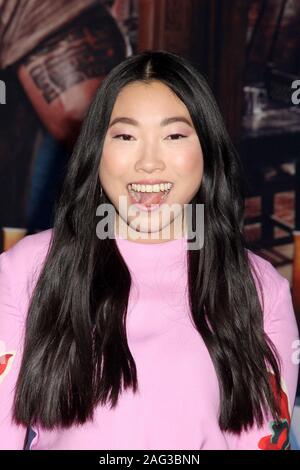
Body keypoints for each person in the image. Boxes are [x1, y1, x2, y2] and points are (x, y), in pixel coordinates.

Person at [0, 50, 299, 450]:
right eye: (125, 136)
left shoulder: (260, 288)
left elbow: (263, 437)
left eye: (174, 136)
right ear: (96, 150)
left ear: (206, 151)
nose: (148, 163)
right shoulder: (26, 270)